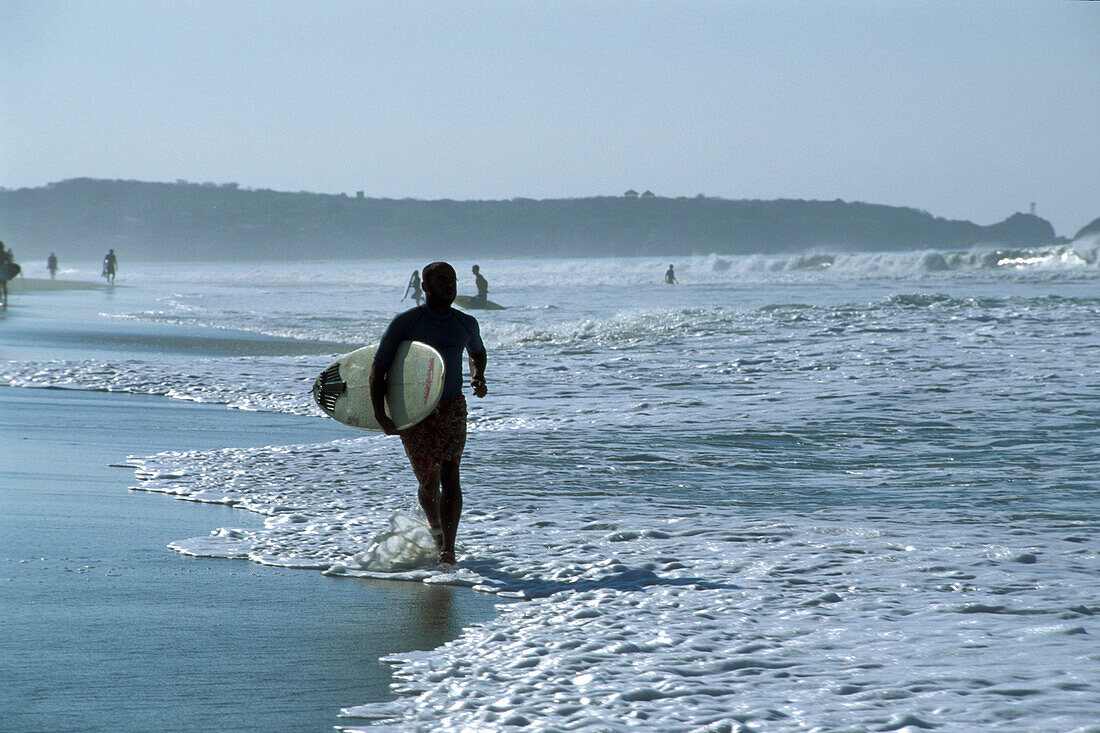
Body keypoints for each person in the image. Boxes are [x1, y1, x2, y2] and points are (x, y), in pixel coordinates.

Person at [370, 262, 488, 568]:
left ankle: (448, 547)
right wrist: (381, 414)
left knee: (450, 472)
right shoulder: (406, 322)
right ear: (426, 287)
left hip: (451, 405)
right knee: (428, 479)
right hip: (413, 408)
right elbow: (379, 369)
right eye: (442, 280)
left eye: (452, 280)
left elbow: (477, 352)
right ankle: (437, 534)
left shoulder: (465, 323)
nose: (450, 285)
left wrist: (478, 376)